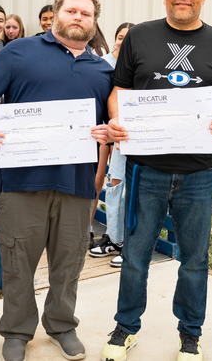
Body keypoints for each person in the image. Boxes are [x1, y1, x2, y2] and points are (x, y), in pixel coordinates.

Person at [102, 0, 212, 361]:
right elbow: (119, 89)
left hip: (199, 172)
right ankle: (126, 327)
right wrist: (117, 117)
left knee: (194, 260)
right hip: (146, 169)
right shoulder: (140, 37)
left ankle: (190, 335)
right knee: (135, 256)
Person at [0, 0, 113, 361]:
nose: (78, 17)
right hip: (22, 182)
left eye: (86, 13)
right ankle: (16, 330)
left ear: (94, 22)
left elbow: (113, 124)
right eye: (72, 11)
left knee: (69, 262)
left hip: (77, 184)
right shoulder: (21, 51)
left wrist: (108, 132)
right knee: (18, 261)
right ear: (56, 14)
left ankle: (62, 325)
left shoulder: (104, 71)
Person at [89, 22, 134, 268]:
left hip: (133, 137)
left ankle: (128, 243)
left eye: (128, 38)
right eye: (119, 37)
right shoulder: (104, 64)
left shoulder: (141, 64)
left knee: (129, 189)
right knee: (113, 184)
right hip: (110, 134)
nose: (123, 42)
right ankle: (115, 238)